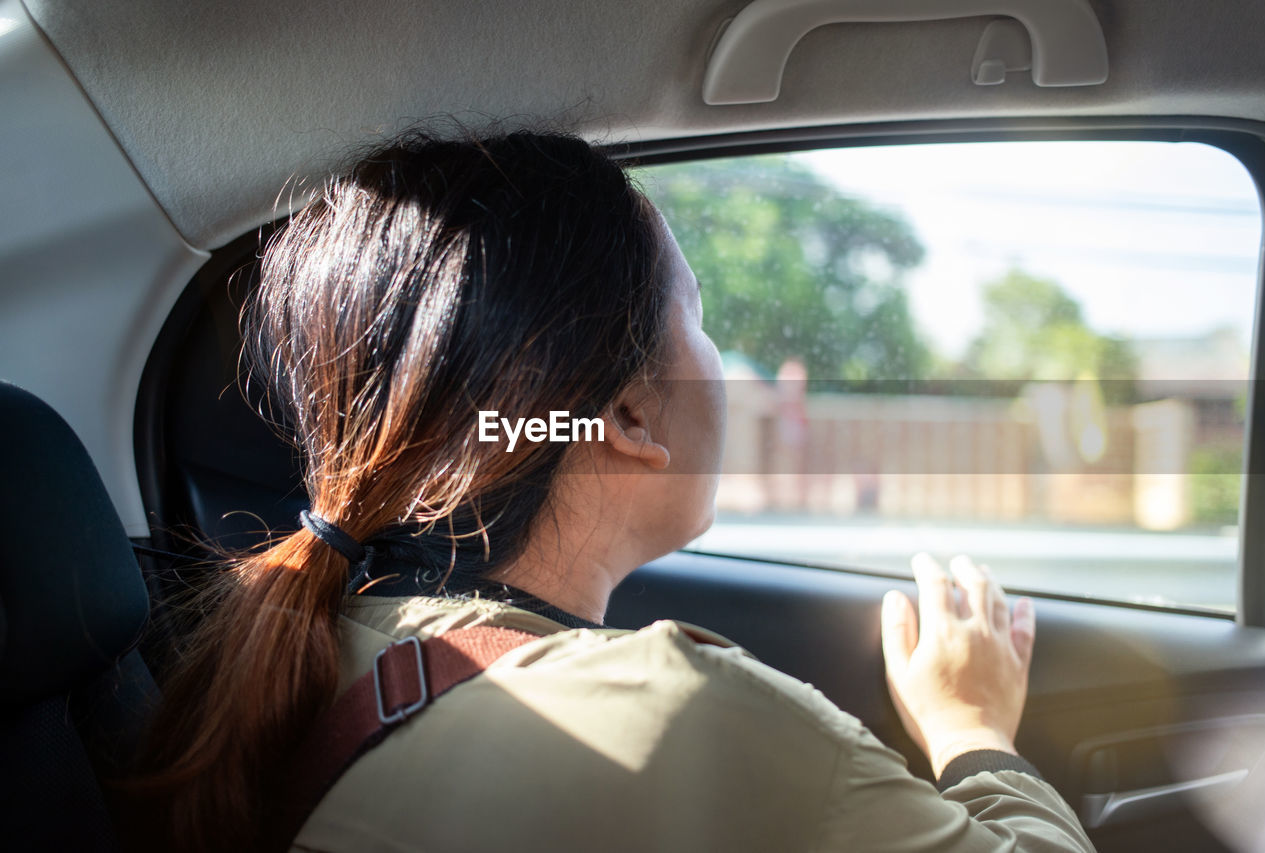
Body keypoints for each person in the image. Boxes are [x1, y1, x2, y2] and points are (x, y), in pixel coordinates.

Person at [137, 131, 1095, 853]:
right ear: (634, 417)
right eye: (703, 322)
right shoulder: (684, 711)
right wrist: (971, 725)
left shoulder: (285, 646)